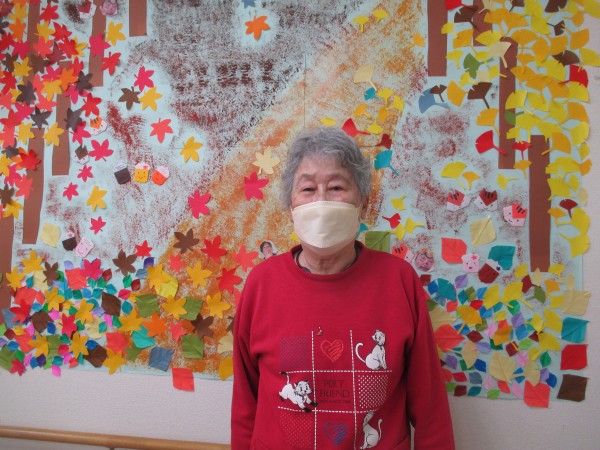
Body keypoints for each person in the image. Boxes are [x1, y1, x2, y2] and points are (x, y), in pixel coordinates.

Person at [232, 127, 455, 449]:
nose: (321, 201)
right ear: (291, 207)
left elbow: (430, 406)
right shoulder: (261, 284)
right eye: (308, 188)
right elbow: (245, 403)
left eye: (336, 187)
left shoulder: (399, 280)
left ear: (363, 203)